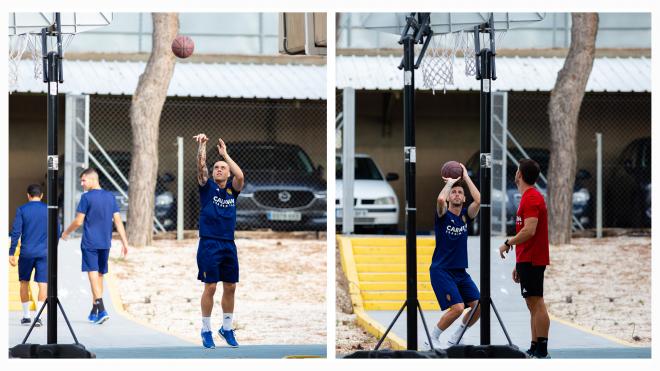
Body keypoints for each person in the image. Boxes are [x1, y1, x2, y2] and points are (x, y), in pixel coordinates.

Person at [194, 134, 245, 349]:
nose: (219, 170)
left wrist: (225, 155)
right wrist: (202, 147)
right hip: (209, 244)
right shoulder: (208, 189)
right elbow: (201, 167)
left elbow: (240, 175)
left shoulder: (232, 191)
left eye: (223, 167)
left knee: (230, 286)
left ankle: (226, 328)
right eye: (217, 167)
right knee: (211, 286)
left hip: (228, 244)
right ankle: (206, 329)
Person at [61, 168, 129, 325]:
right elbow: (118, 221)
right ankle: (95, 310)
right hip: (105, 242)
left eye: (83, 180)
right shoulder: (110, 197)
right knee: (99, 275)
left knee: (92, 273)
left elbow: (78, 221)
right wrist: (125, 242)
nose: (82, 183)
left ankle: (102, 307)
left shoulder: (86, 198)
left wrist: (65, 233)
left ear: (92, 179)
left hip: (90, 242)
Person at [498, 158, 550, 358]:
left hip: (534, 258)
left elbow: (529, 231)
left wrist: (508, 243)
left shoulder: (532, 198)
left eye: (517, 169)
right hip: (526, 258)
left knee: (537, 302)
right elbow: (527, 234)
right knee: (531, 304)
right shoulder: (528, 197)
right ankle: (534, 346)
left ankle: (542, 351)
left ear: (519, 174)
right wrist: (518, 263)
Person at [426, 163, 481, 349]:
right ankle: (432, 338)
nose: (457, 194)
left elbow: (479, 199)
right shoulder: (442, 215)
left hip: (460, 272)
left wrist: (465, 177)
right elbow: (440, 200)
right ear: (450, 196)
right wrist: (450, 183)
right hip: (441, 270)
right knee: (457, 308)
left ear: (464, 198)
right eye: (454, 192)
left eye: (460, 193)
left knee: (478, 305)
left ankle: (457, 336)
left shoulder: (465, 216)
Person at [9, 184, 48, 327]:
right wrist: (52, 247)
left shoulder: (22, 210)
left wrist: (11, 252)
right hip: (44, 252)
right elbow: (57, 230)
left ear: (28, 195)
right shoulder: (48, 210)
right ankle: (38, 317)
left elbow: (15, 232)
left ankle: (26, 317)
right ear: (42, 195)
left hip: (26, 252)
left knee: (24, 282)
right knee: (43, 283)